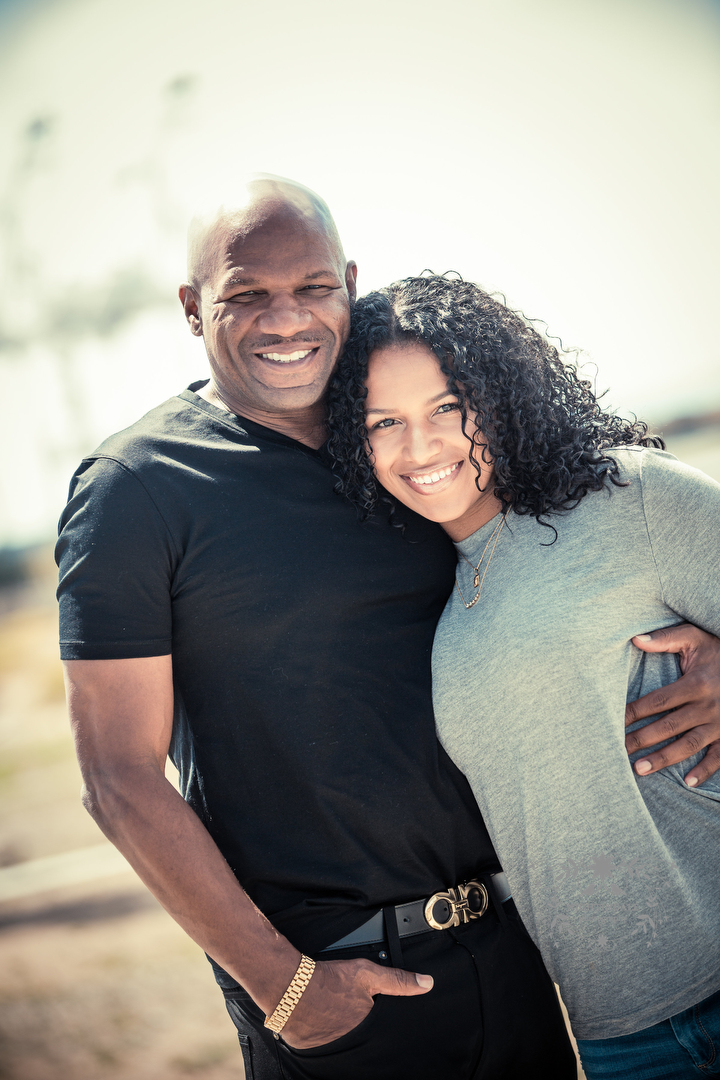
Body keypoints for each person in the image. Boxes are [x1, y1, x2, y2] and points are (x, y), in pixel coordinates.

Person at [56, 178, 720, 1080]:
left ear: (350, 286)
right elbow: (116, 777)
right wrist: (283, 987)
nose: (285, 319)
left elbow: (558, 585)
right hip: (339, 990)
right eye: (246, 294)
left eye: (314, 287)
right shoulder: (137, 486)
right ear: (191, 306)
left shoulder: (386, 455)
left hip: (515, 961)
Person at [326, 273, 720, 1079]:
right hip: (618, 1035)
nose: (421, 446)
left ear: (500, 395)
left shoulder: (628, 497)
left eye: (446, 407)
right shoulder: (436, 598)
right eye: (384, 424)